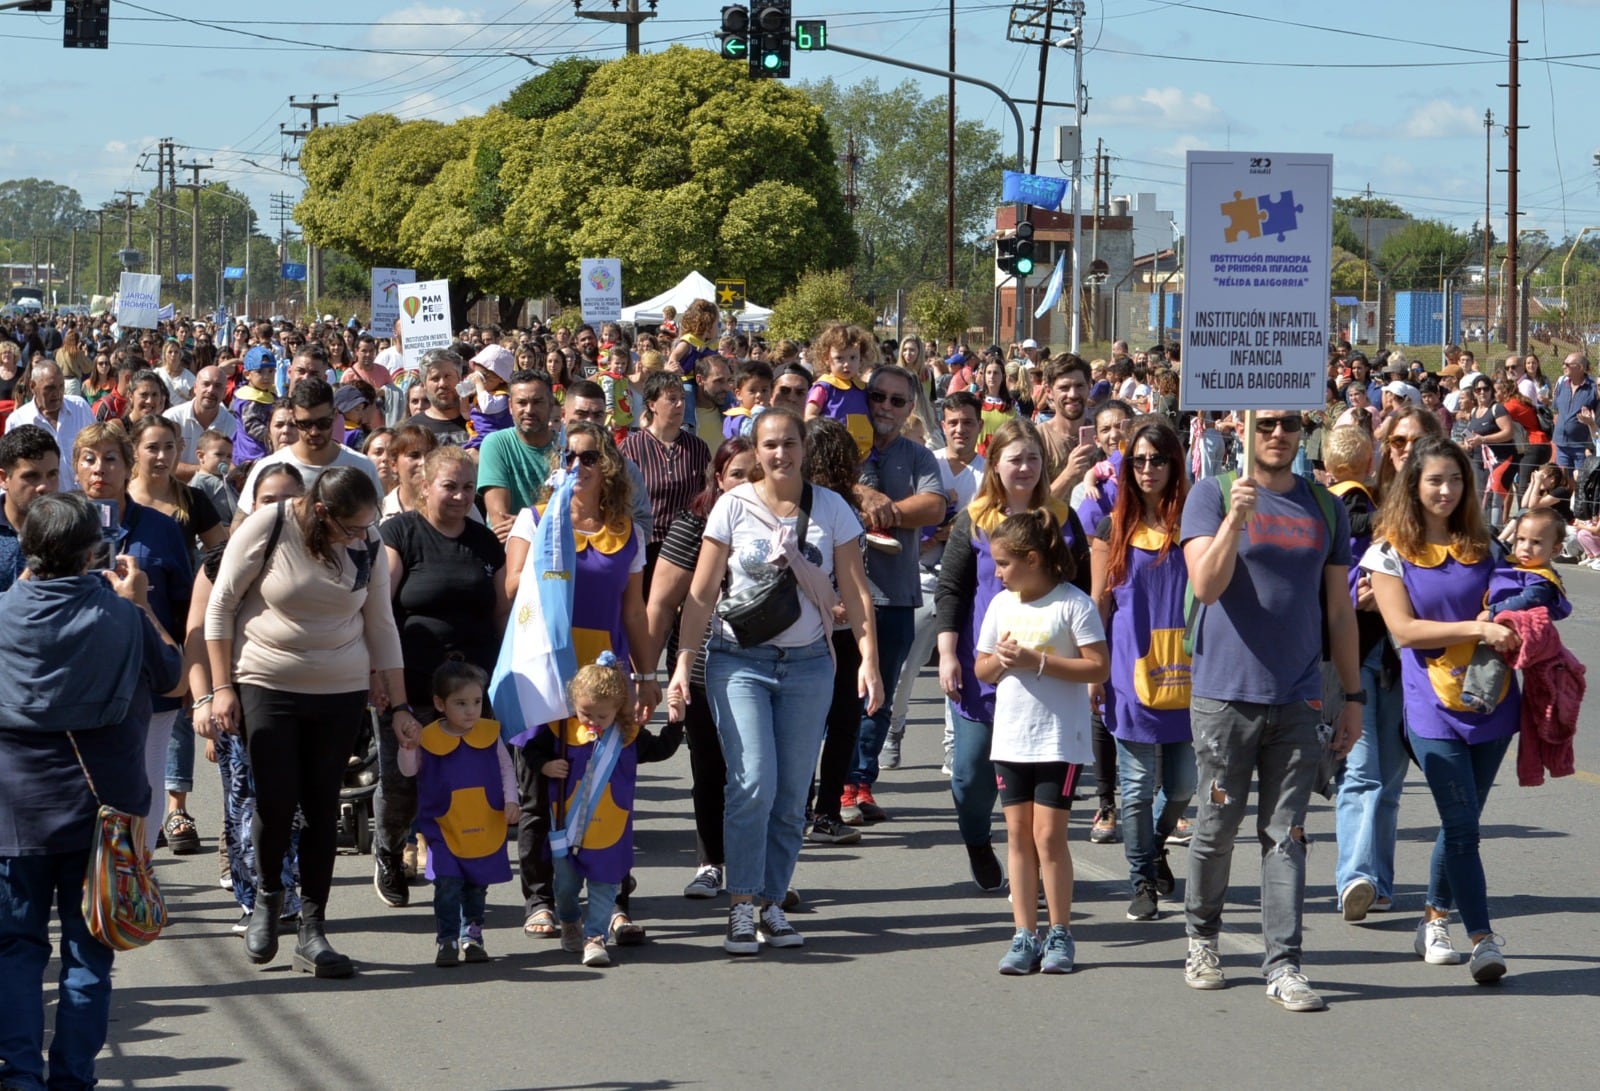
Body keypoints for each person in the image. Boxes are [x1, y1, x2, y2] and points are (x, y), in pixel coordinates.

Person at [668, 408, 882, 955]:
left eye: (789, 443)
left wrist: (868, 660)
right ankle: (741, 905)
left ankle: (772, 901)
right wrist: (680, 664)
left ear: (803, 446)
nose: (780, 454)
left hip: (809, 663)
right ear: (755, 450)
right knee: (753, 783)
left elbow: (855, 592)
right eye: (769, 445)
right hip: (739, 661)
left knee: (791, 796)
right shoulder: (732, 505)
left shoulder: (832, 508)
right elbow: (700, 591)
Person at [1179, 409, 1363, 1013]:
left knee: (1287, 835)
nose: (1277, 433)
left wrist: (1353, 696)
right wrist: (1236, 519)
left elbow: (1339, 610)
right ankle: (1202, 939)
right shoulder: (1212, 495)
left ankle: (1284, 964)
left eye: (1287, 423)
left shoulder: (1324, 507)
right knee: (1215, 828)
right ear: (1245, 430)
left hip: (1298, 696)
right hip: (1224, 696)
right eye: (1266, 424)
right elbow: (1205, 586)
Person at [0, 493, 183, 1091]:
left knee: (18, 951)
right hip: (103, 815)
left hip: (14, 813)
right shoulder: (122, 618)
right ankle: (72, 1080)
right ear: (93, 554)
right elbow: (174, 677)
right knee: (87, 955)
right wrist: (141, 603)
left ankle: (21, 1077)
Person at [206, 467, 408, 979]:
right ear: (321, 511)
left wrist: (400, 705)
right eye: (352, 528)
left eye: (368, 527)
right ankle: (269, 899)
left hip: (340, 690)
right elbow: (221, 606)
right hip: (266, 682)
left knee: (322, 807)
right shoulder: (269, 525)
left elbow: (381, 622)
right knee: (276, 801)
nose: (362, 538)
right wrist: (221, 688)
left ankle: (314, 927)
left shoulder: (367, 542)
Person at [1363, 436, 1521, 983]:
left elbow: (1518, 602)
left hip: (1494, 704)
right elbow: (1403, 631)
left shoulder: (1486, 543)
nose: (1446, 490)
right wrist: (1477, 627)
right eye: (1435, 480)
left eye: (1455, 480)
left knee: (1463, 825)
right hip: (1431, 708)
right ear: (1414, 485)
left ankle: (1433, 916)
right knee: (1462, 825)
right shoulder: (1387, 551)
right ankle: (1482, 937)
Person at [505, 422, 658, 945]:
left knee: (610, 787)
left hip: (606, 679)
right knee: (548, 789)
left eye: (589, 457)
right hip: (550, 673)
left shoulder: (626, 533)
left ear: (608, 465)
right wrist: (548, 534)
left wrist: (647, 674)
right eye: (569, 456)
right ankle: (543, 899)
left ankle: (612, 902)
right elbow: (510, 591)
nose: (579, 465)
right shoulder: (535, 519)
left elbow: (634, 610)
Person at [937, 418, 1091, 890]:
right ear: (996, 466)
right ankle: (977, 840)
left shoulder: (1062, 518)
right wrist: (947, 654)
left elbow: (1082, 589)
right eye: (1014, 459)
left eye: (1032, 459)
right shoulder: (975, 519)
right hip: (984, 665)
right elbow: (952, 590)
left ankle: (1035, 874)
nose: (1024, 467)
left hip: (1047, 670)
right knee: (969, 775)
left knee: (1032, 784)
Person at [373, 447, 507, 909]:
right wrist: (379, 675)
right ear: (425, 486)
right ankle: (389, 850)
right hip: (410, 680)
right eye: (450, 486)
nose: (460, 496)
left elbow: (502, 611)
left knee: (464, 779)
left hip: (471, 689)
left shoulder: (484, 541)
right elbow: (381, 609)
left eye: (468, 487)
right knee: (402, 783)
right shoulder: (399, 533)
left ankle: (453, 864)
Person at [977, 509, 1108, 974]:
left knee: (1048, 836)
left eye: (1004, 563)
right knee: (1017, 835)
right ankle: (1023, 934)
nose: (997, 572)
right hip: (1011, 739)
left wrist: (1036, 661)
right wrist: (1001, 661)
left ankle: (1060, 932)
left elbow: (1098, 667)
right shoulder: (1000, 604)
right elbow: (982, 669)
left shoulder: (1073, 603)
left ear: (1032, 559)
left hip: (1059, 740)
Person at [74, 421, 196, 855]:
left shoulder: (162, 528)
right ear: (75, 469)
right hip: (80, 684)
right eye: (89, 459)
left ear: (128, 468)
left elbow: (187, 605)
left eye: (111, 458)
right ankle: (92, 896)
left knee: (142, 795)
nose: (99, 469)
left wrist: (191, 676)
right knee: (87, 802)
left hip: (150, 682)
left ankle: (135, 884)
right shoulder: (60, 523)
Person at [1088, 421, 1194, 922]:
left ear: (1175, 464)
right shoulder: (1113, 528)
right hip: (1129, 671)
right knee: (1135, 783)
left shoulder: (1194, 527)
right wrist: (1094, 672)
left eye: (1158, 459)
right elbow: (1099, 605)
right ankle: (1141, 879)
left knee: (1181, 785)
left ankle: (1152, 847)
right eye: (1139, 460)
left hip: (1188, 672)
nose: (1148, 469)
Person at [642, 436, 755, 897]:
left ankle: (761, 871)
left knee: (760, 774)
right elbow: (660, 604)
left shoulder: (782, 521)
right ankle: (711, 863)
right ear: (718, 478)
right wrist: (649, 676)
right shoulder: (694, 525)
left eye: (756, 475)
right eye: (738, 475)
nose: (747, 484)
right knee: (711, 768)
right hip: (705, 665)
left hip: (769, 664)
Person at [529, 652, 683, 967]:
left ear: (617, 709)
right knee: (567, 887)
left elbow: (662, 750)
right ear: (574, 703)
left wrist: (676, 721)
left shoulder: (627, 738)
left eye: (602, 716)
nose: (593, 722)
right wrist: (544, 765)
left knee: (604, 886)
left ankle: (595, 937)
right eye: (586, 713)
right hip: (567, 830)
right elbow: (529, 751)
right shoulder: (560, 733)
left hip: (610, 828)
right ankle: (570, 919)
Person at [1321, 424, 1405, 921]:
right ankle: (1356, 876)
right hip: (1356, 654)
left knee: (1387, 778)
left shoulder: (1343, 503)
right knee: (1364, 772)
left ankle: (1380, 880)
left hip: (1394, 655)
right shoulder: (1356, 512)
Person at [883, 391, 985, 773]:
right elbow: (910, 522)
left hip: (969, 584)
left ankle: (953, 745)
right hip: (923, 577)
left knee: (958, 664)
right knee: (907, 663)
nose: (960, 429)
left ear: (979, 427)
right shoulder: (927, 463)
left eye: (968, 422)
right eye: (953, 422)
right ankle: (893, 731)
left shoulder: (988, 472)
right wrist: (939, 534)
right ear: (943, 426)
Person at [396, 661, 517, 967]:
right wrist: (408, 747)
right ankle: (447, 940)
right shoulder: (427, 736)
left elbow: (505, 768)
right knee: (447, 884)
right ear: (440, 704)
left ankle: (472, 936)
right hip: (443, 826)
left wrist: (512, 800)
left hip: (484, 820)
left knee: (476, 885)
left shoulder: (491, 733)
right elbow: (408, 770)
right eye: (460, 703)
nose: (470, 711)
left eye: (476, 702)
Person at [236, 378, 384, 518]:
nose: (314, 432)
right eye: (305, 424)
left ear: (334, 415)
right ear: (294, 418)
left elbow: (375, 527)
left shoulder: (363, 467)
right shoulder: (267, 468)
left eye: (322, 423)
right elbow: (239, 528)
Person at [620, 370, 711, 579]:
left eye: (682, 398)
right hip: (644, 549)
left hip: (686, 548)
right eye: (671, 399)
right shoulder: (631, 448)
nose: (680, 404)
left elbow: (707, 497)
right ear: (652, 405)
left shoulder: (697, 448)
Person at [478, 369, 558, 541]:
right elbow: (500, 522)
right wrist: (548, 523)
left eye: (538, 402)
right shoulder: (496, 444)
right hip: (510, 549)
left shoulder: (566, 447)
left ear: (551, 404)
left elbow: (576, 515)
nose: (529, 410)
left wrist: (527, 524)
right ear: (510, 406)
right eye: (521, 403)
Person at [0, 424, 61, 592]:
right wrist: (18, 595)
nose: (44, 486)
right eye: (31, 476)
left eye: (52, 475)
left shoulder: (70, 533)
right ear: (3, 478)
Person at [803, 323, 876, 458]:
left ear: (861, 357)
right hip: (832, 454)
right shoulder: (824, 387)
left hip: (864, 455)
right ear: (826, 359)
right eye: (839, 358)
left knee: (869, 479)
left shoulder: (863, 388)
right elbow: (809, 417)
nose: (847, 364)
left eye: (853, 357)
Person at [5, 362, 94, 465]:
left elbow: (98, 447)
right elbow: (11, 465)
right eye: (50, 388)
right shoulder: (17, 421)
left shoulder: (80, 408)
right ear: (33, 386)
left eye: (61, 386)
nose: (57, 393)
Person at [403, 350, 471, 448]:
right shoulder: (411, 429)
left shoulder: (481, 421)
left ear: (460, 379)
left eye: (448, 376)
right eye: (435, 378)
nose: (442, 384)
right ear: (424, 385)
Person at [230, 348, 279, 464]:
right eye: (260, 372)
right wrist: (272, 435)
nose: (266, 376)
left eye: (270, 371)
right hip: (252, 452)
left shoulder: (268, 391)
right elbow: (252, 425)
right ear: (247, 374)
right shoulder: (249, 398)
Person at [1551, 352, 1597, 471]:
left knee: (1581, 483)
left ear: (1580, 367)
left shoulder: (1594, 387)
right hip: (1561, 445)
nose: (1563, 367)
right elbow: (1556, 409)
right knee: (1563, 483)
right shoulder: (1561, 385)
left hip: (1582, 447)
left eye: (1567, 364)